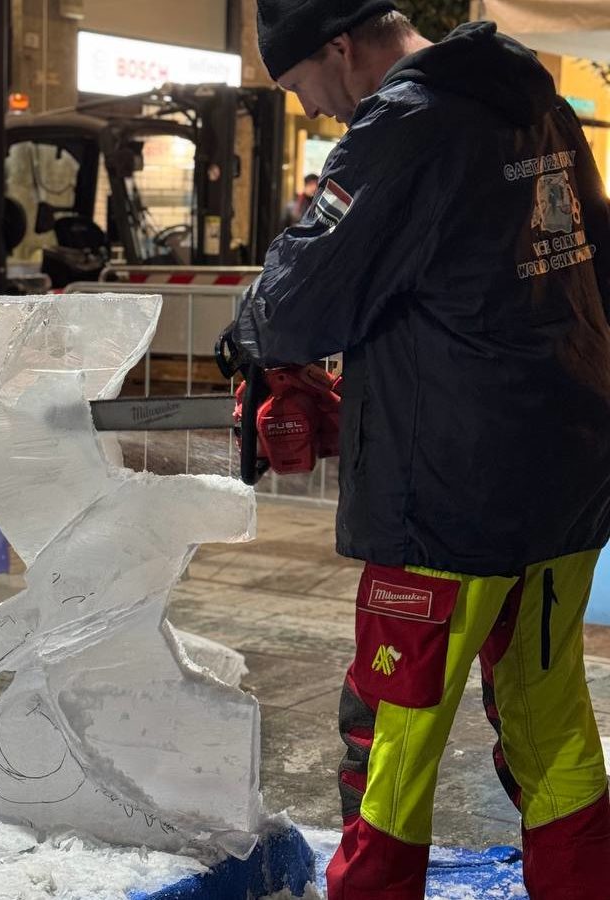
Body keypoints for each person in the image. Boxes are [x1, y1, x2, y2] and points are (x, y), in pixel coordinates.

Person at [233, 3, 610, 898]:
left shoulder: (404, 123)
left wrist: (258, 348)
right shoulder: (537, 107)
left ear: (338, 45)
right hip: (566, 483)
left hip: (446, 497)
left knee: (391, 740)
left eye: (301, 88)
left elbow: (298, 299)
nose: (312, 111)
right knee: (547, 716)